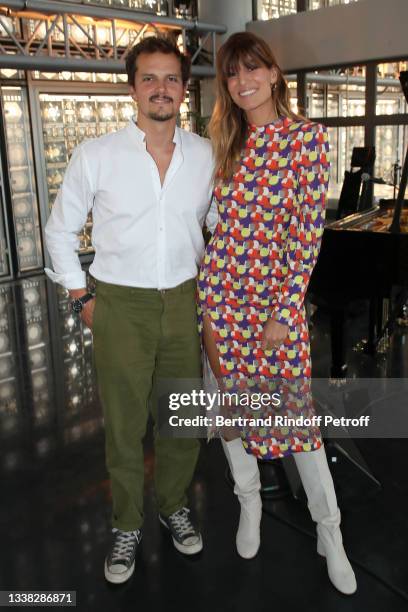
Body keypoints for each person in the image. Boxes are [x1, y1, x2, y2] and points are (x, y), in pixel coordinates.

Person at [45, 36, 217, 585]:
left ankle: (172, 505)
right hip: (120, 304)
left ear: (184, 89)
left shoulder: (205, 154)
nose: (161, 88)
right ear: (132, 87)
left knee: (181, 420)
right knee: (123, 427)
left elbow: (215, 228)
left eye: (171, 78)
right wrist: (83, 297)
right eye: (150, 78)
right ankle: (126, 522)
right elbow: (59, 231)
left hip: (184, 302)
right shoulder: (96, 154)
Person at [197, 31, 357, 595]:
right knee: (234, 413)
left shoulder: (307, 138)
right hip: (220, 299)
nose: (242, 83)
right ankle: (249, 505)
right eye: (232, 75)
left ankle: (329, 532)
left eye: (251, 70)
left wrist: (284, 312)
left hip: (273, 306)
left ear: (271, 72)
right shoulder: (225, 141)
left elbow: (307, 234)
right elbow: (216, 227)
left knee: (299, 423)